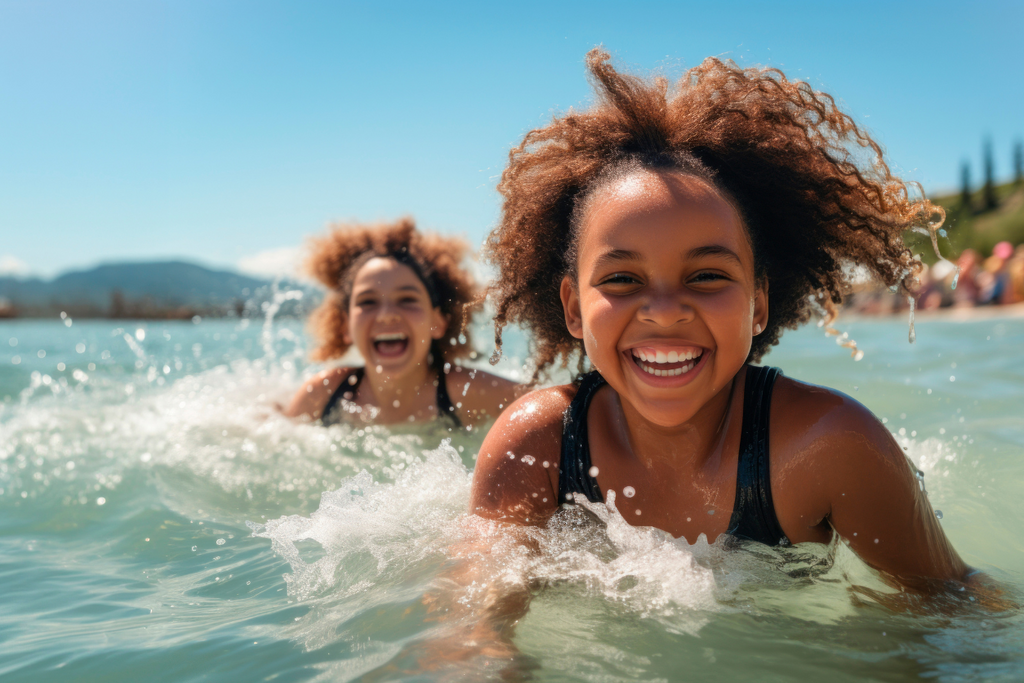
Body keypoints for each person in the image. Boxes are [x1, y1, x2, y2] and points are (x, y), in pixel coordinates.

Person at [471, 49, 982, 593]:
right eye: (622, 279)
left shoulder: (828, 446)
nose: (665, 310)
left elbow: (957, 620)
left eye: (707, 276)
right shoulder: (537, 448)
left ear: (758, 304)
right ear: (574, 308)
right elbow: (473, 636)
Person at [284, 218, 519, 428]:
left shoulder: (472, 393)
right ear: (344, 326)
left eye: (407, 299)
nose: (387, 315)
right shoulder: (322, 395)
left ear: (438, 322)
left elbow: (551, 414)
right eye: (368, 302)